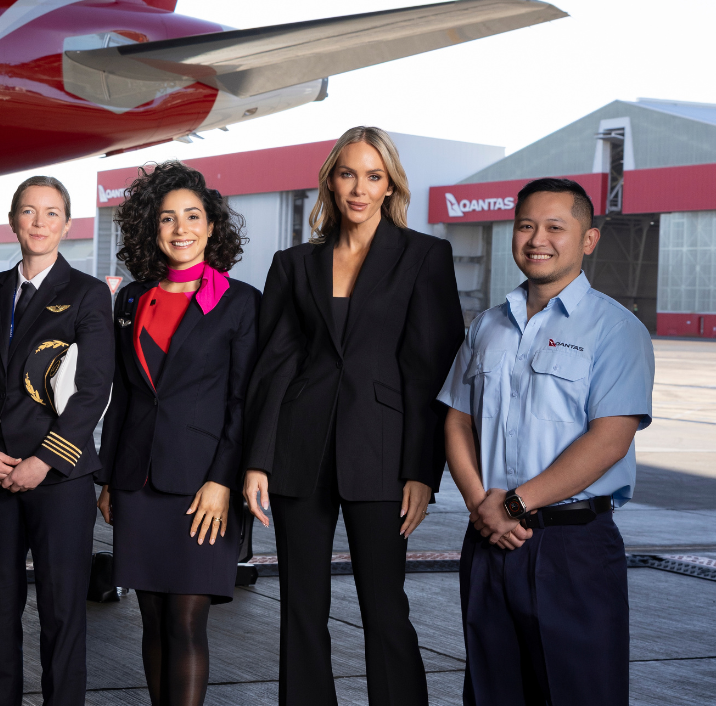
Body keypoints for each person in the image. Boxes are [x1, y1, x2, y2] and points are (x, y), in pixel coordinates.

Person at [242, 126, 462, 706]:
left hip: (383, 455)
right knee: (301, 609)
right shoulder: (293, 264)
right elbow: (273, 368)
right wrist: (259, 459)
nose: (359, 189)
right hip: (299, 453)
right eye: (347, 174)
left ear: (390, 186)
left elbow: (430, 372)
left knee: (385, 607)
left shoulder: (424, 256)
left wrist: (422, 469)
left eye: (372, 176)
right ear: (330, 183)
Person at [438, 178, 654, 706]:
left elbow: (609, 440)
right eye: (527, 225)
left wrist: (514, 503)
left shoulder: (615, 329)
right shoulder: (487, 325)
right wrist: (481, 507)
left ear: (588, 239)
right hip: (490, 541)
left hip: (572, 548)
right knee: (491, 693)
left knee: (580, 693)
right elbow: (456, 420)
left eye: (556, 226)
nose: (538, 238)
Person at [97, 161, 259, 706]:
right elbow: (124, 393)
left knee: (187, 624)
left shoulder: (239, 302)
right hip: (137, 482)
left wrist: (222, 481)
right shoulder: (130, 300)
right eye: (168, 218)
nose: (181, 228)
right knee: (151, 621)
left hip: (201, 490)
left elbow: (243, 402)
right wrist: (109, 478)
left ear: (212, 227)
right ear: (152, 228)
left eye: (193, 216)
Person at [0, 175, 114, 706]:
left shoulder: (87, 294)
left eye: (52, 213)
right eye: (29, 212)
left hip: (57, 479)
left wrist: (44, 460)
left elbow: (93, 389)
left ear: (67, 225)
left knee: (63, 610)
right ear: (13, 220)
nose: (39, 223)